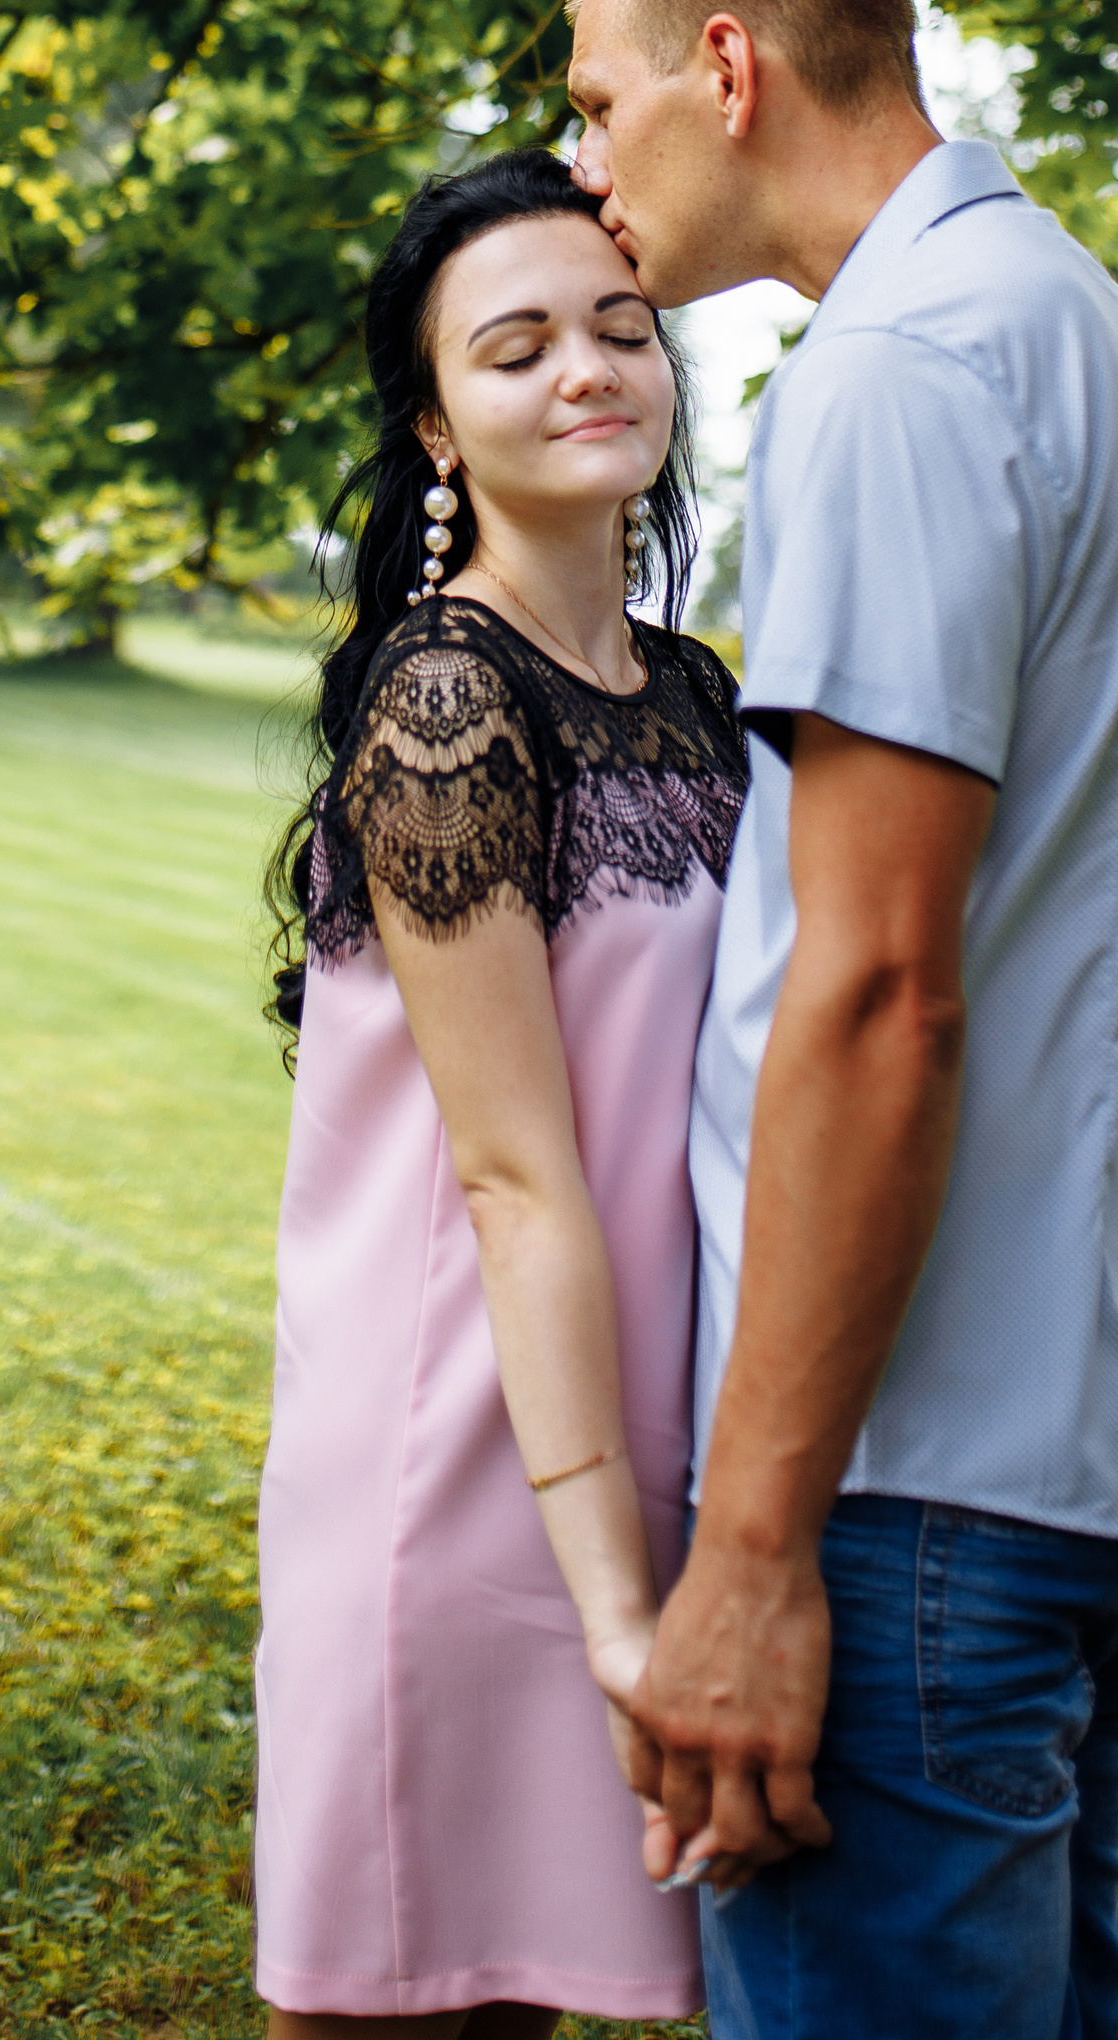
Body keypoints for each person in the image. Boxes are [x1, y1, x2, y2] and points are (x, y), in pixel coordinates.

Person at [564, 0, 1118, 2040]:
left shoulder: (894, 370)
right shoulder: (1095, 339)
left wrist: (754, 1550)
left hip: (905, 1496)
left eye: (596, 105)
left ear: (728, 68)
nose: (586, 171)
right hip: (1077, 1455)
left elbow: (875, 989)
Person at [253, 147, 750, 2038]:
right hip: (456, 1446)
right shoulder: (446, 703)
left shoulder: (696, 698)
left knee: (519, 1994)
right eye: (517, 345)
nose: (587, 370)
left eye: (620, 328)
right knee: (391, 1999)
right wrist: (616, 1603)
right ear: (436, 426)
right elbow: (516, 1178)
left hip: (632, 1414)